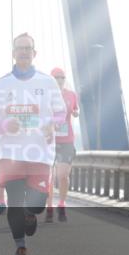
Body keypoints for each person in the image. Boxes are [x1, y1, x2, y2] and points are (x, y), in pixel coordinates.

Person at [0, 33, 66, 255]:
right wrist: (4, 125)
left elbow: (60, 113)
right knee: (15, 202)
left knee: (38, 205)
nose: (23, 52)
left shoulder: (47, 82)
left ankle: (32, 214)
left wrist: (53, 125)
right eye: (19, 48)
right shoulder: (2, 84)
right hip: (11, 154)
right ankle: (20, 247)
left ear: (34, 53)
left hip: (40, 154)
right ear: (13, 52)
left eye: (27, 48)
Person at [45, 67, 79, 222]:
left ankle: (62, 204)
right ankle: (49, 207)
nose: (59, 80)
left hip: (66, 141)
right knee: (49, 177)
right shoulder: (44, 96)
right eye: (56, 77)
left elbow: (75, 109)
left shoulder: (71, 95)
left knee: (63, 175)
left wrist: (75, 112)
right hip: (48, 141)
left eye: (62, 77)